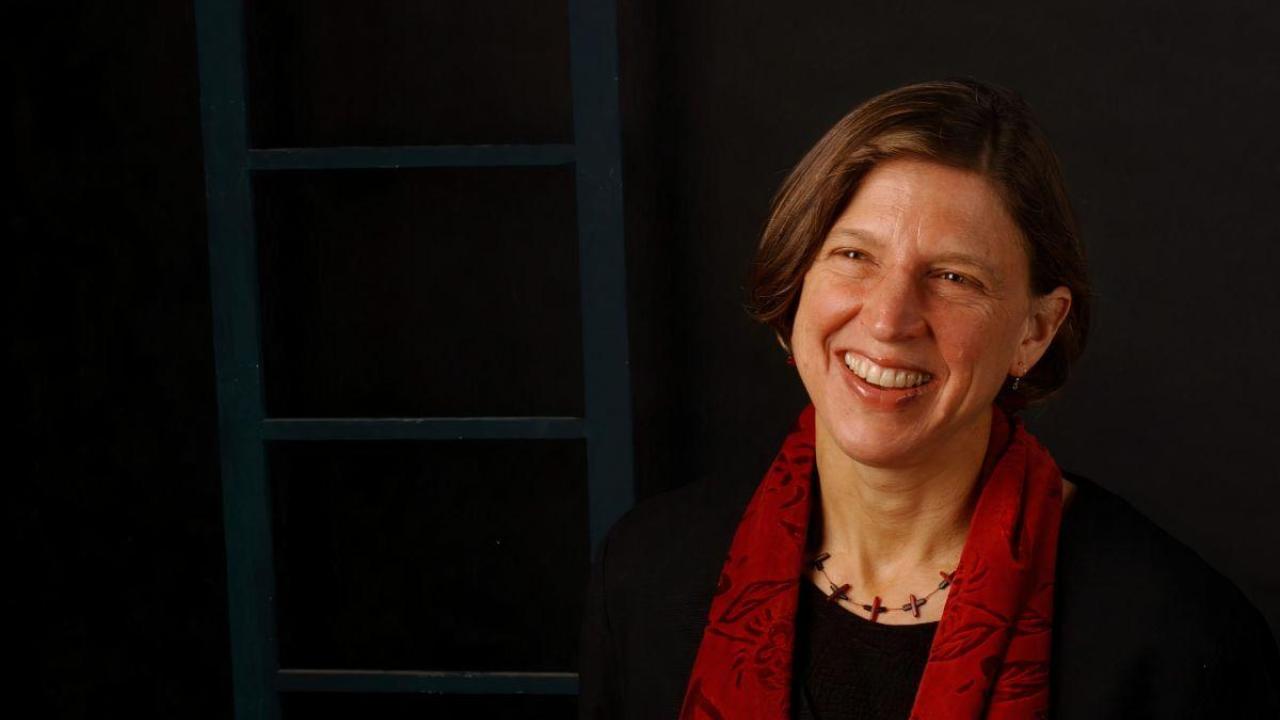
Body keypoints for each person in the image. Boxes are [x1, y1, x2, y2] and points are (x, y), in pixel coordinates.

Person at [576, 78, 1280, 719]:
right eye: (854, 256)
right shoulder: (647, 575)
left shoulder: (1176, 636)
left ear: (1035, 332)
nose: (889, 321)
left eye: (953, 277)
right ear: (796, 285)